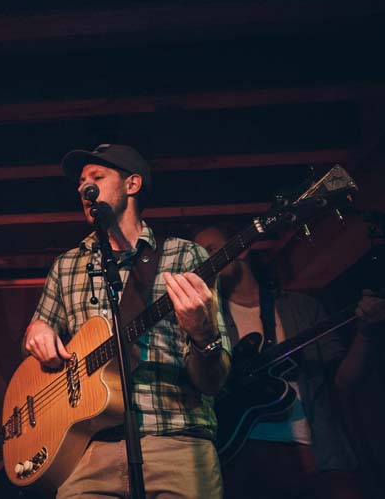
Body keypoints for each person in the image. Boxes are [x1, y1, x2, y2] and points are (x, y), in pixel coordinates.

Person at [22, 144, 231, 499]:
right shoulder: (66, 264)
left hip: (174, 442)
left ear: (132, 184)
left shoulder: (184, 254)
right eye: (80, 182)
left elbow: (214, 380)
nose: (83, 187)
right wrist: (36, 331)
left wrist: (202, 333)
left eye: (96, 177)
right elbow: (37, 343)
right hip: (86, 450)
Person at [194, 223, 385, 499]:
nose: (207, 262)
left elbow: (344, 380)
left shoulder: (303, 307)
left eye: (212, 250)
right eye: (200, 256)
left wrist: (366, 332)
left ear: (242, 250)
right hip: (240, 457)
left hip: (316, 452)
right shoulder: (208, 323)